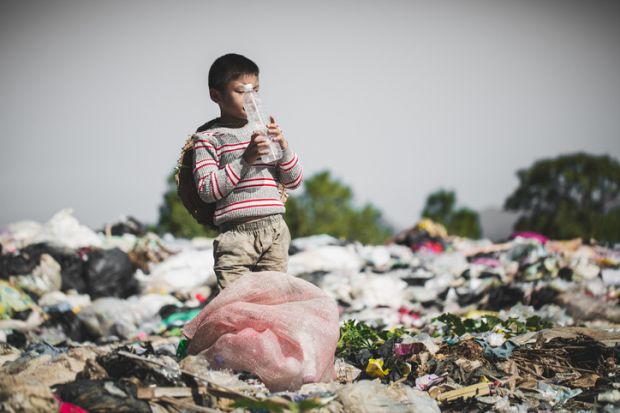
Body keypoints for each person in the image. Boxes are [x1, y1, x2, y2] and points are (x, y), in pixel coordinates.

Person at [192, 53, 303, 290]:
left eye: (256, 90)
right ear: (216, 95)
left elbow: (294, 181)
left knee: (272, 302)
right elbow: (207, 190)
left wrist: (283, 147)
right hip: (235, 237)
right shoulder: (209, 139)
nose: (250, 99)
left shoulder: (264, 131)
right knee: (236, 305)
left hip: (274, 230)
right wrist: (245, 160)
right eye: (241, 91)